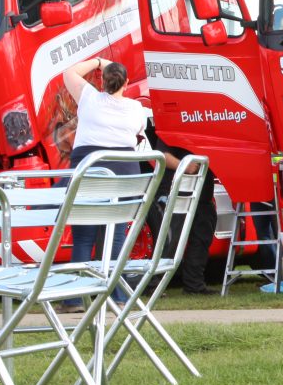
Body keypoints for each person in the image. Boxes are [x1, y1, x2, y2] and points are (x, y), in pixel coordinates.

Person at [58, 57, 146, 313]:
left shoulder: (88, 97)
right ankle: (117, 295)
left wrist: (98, 61)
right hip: (123, 180)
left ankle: (75, 298)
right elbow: (139, 132)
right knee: (116, 238)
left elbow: (69, 72)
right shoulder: (135, 108)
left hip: (89, 175)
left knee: (83, 238)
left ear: (101, 81)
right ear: (126, 83)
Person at [153, 137, 217, 295]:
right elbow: (161, 155)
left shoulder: (211, 125)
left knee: (202, 238)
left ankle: (194, 285)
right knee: (170, 240)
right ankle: (153, 285)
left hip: (203, 193)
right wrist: (185, 166)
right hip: (176, 192)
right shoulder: (174, 124)